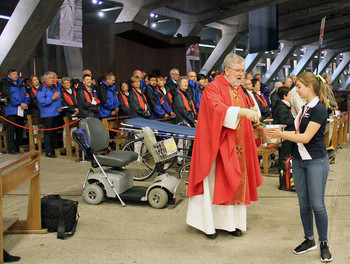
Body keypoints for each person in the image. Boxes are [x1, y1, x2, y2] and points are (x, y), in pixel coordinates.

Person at [186, 53, 263, 239]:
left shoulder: (238, 89)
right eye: (238, 71)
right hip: (216, 146)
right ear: (227, 70)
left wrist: (250, 111)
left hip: (237, 147)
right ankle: (209, 225)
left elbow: (241, 114)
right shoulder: (213, 88)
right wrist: (242, 111)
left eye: (243, 71)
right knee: (215, 184)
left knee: (234, 183)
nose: (241, 75)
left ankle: (230, 224)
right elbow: (216, 110)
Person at [265, 72, 332, 262]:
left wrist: (281, 134)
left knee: (317, 205)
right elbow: (299, 131)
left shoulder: (319, 109)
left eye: (299, 86)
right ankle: (309, 239)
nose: (296, 89)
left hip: (315, 161)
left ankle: (324, 243)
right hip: (299, 160)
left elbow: (306, 137)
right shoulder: (303, 108)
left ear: (309, 87)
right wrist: (281, 132)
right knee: (304, 204)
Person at [1, 69, 30, 154]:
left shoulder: (21, 84)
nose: (16, 76)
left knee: (20, 129)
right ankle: (11, 148)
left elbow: (26, 95)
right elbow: (8, 97)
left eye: (16, 74)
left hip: (21, 109)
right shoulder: (6, 84)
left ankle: (18, 147)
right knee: (11, 129)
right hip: (11, 110)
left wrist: (25, 103)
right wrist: (20, 103)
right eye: (13, 74)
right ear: (9, 75)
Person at [37, 72, 63, 158]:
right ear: (45, 79)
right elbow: (41, 101)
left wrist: (60, 107)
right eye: (50, 78)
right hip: (47, 113)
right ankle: (48, 151)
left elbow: (59, 98)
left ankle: (55, 149)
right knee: (48, 133)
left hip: (56, 112)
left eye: (53, 78)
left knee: (54, 132)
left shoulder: (55, 87)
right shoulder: (42, 88)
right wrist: (52, 99)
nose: (52, 80)